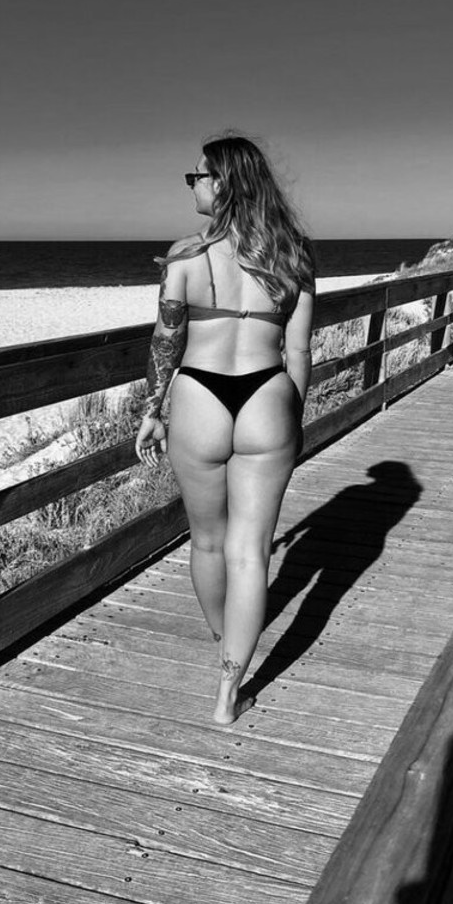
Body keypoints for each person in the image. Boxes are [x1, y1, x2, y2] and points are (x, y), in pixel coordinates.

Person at [134, 131, 315, 724]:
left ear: (224, 183)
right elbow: (298, 351)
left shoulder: (186, 256)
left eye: (199, 176)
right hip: (268, 395)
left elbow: (165, 342)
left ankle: (224, 647)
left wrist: (152, 410)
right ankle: (228, 694)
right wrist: (293, 419)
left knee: (209, 542)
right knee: (250, 554)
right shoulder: (292, 254)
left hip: (199, 398)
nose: (192, 184)